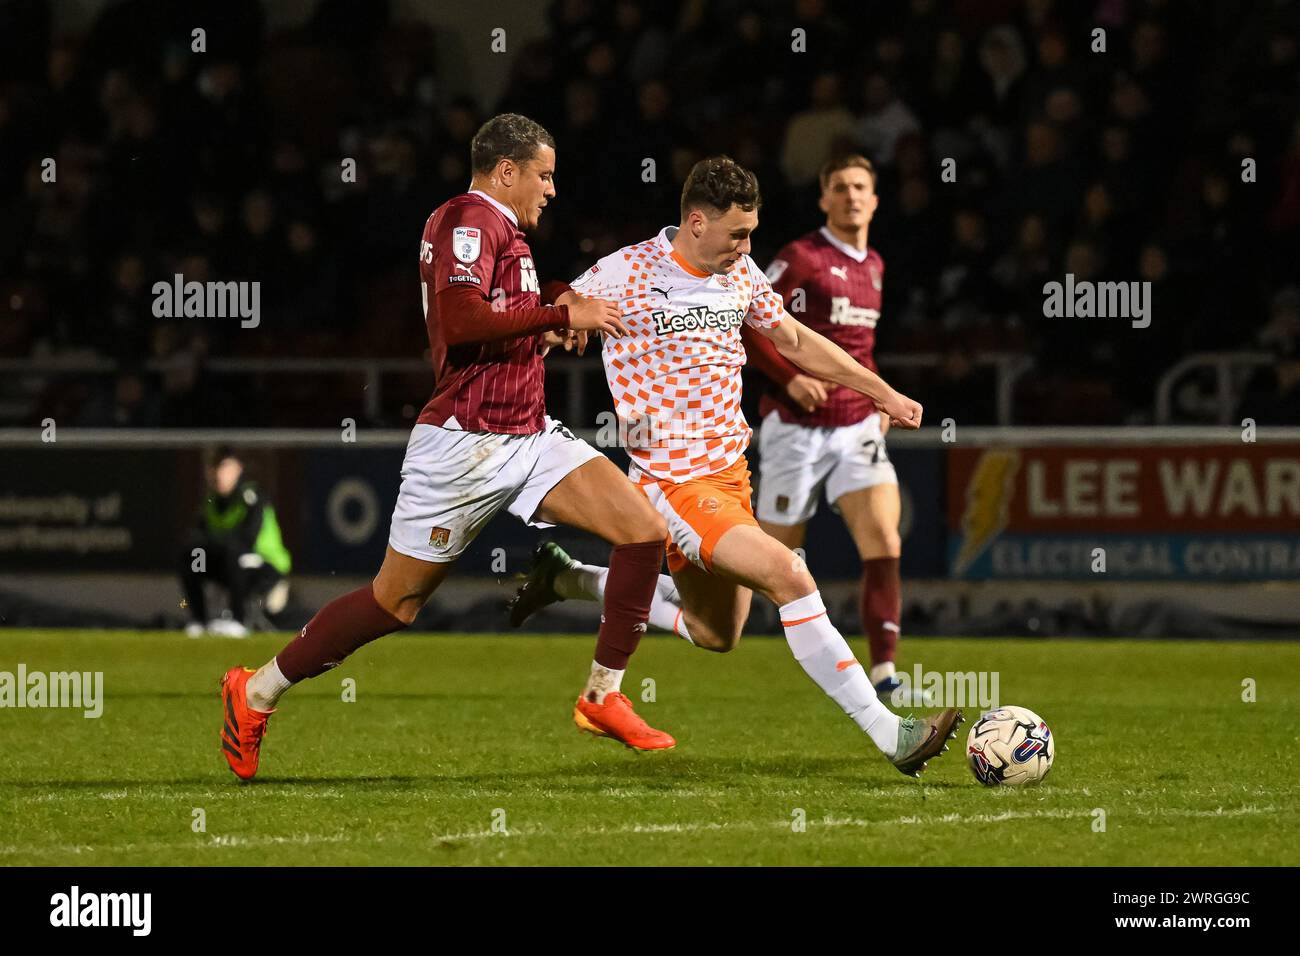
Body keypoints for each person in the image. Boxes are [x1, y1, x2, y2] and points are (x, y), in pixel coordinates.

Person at [218, 114, 676, 782]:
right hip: (464, 444)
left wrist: (556, 303)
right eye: (544, 175)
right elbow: (460, 321)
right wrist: (557, 316)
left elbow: (502, 314)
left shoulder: (506, 231)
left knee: (642, 532)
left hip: (528, 433)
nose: (551, 190)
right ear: (507, 169)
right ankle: (255, 691)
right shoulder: (468, 218)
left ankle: (601, 694)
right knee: (394, 604)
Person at [510, 156, 961, 776]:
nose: (747, 247)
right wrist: (561, 315)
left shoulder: (739, 272)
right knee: (790, 575)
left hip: (730, 477)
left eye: (750, 233)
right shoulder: (629, 271)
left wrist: (877, 388)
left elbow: (796, 341)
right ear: (696, 222)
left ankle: (571, 580)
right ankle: (892, 733)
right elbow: (554, 300)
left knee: (717, 633)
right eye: (737, 234)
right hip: (673, 483)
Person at [740, 154, 908, 699]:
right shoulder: (802, 258)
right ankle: (690, 611)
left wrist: (877, 394)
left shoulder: (877, 264)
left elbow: (860, 350)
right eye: (840, 188)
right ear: (824, 200)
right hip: (796, 429)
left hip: (855, 428)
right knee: (768, 563)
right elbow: (747, 320)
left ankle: (884, 670)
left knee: (884, 538)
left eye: (861, 187)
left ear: (875, 199)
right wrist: (788, 381)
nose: (852, 196)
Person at [180, 450, 291, 638]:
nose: (218, 474)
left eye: (224, 468)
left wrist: (215, 544)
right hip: (230, 563)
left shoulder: (251, 497)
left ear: (238, 469)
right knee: (190, 556)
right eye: (215, 468)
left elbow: (246, 539)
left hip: (265, 565)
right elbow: (199, 537)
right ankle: (199, 620)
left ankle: (238, 621)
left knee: (234, 553)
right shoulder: (212, 501)